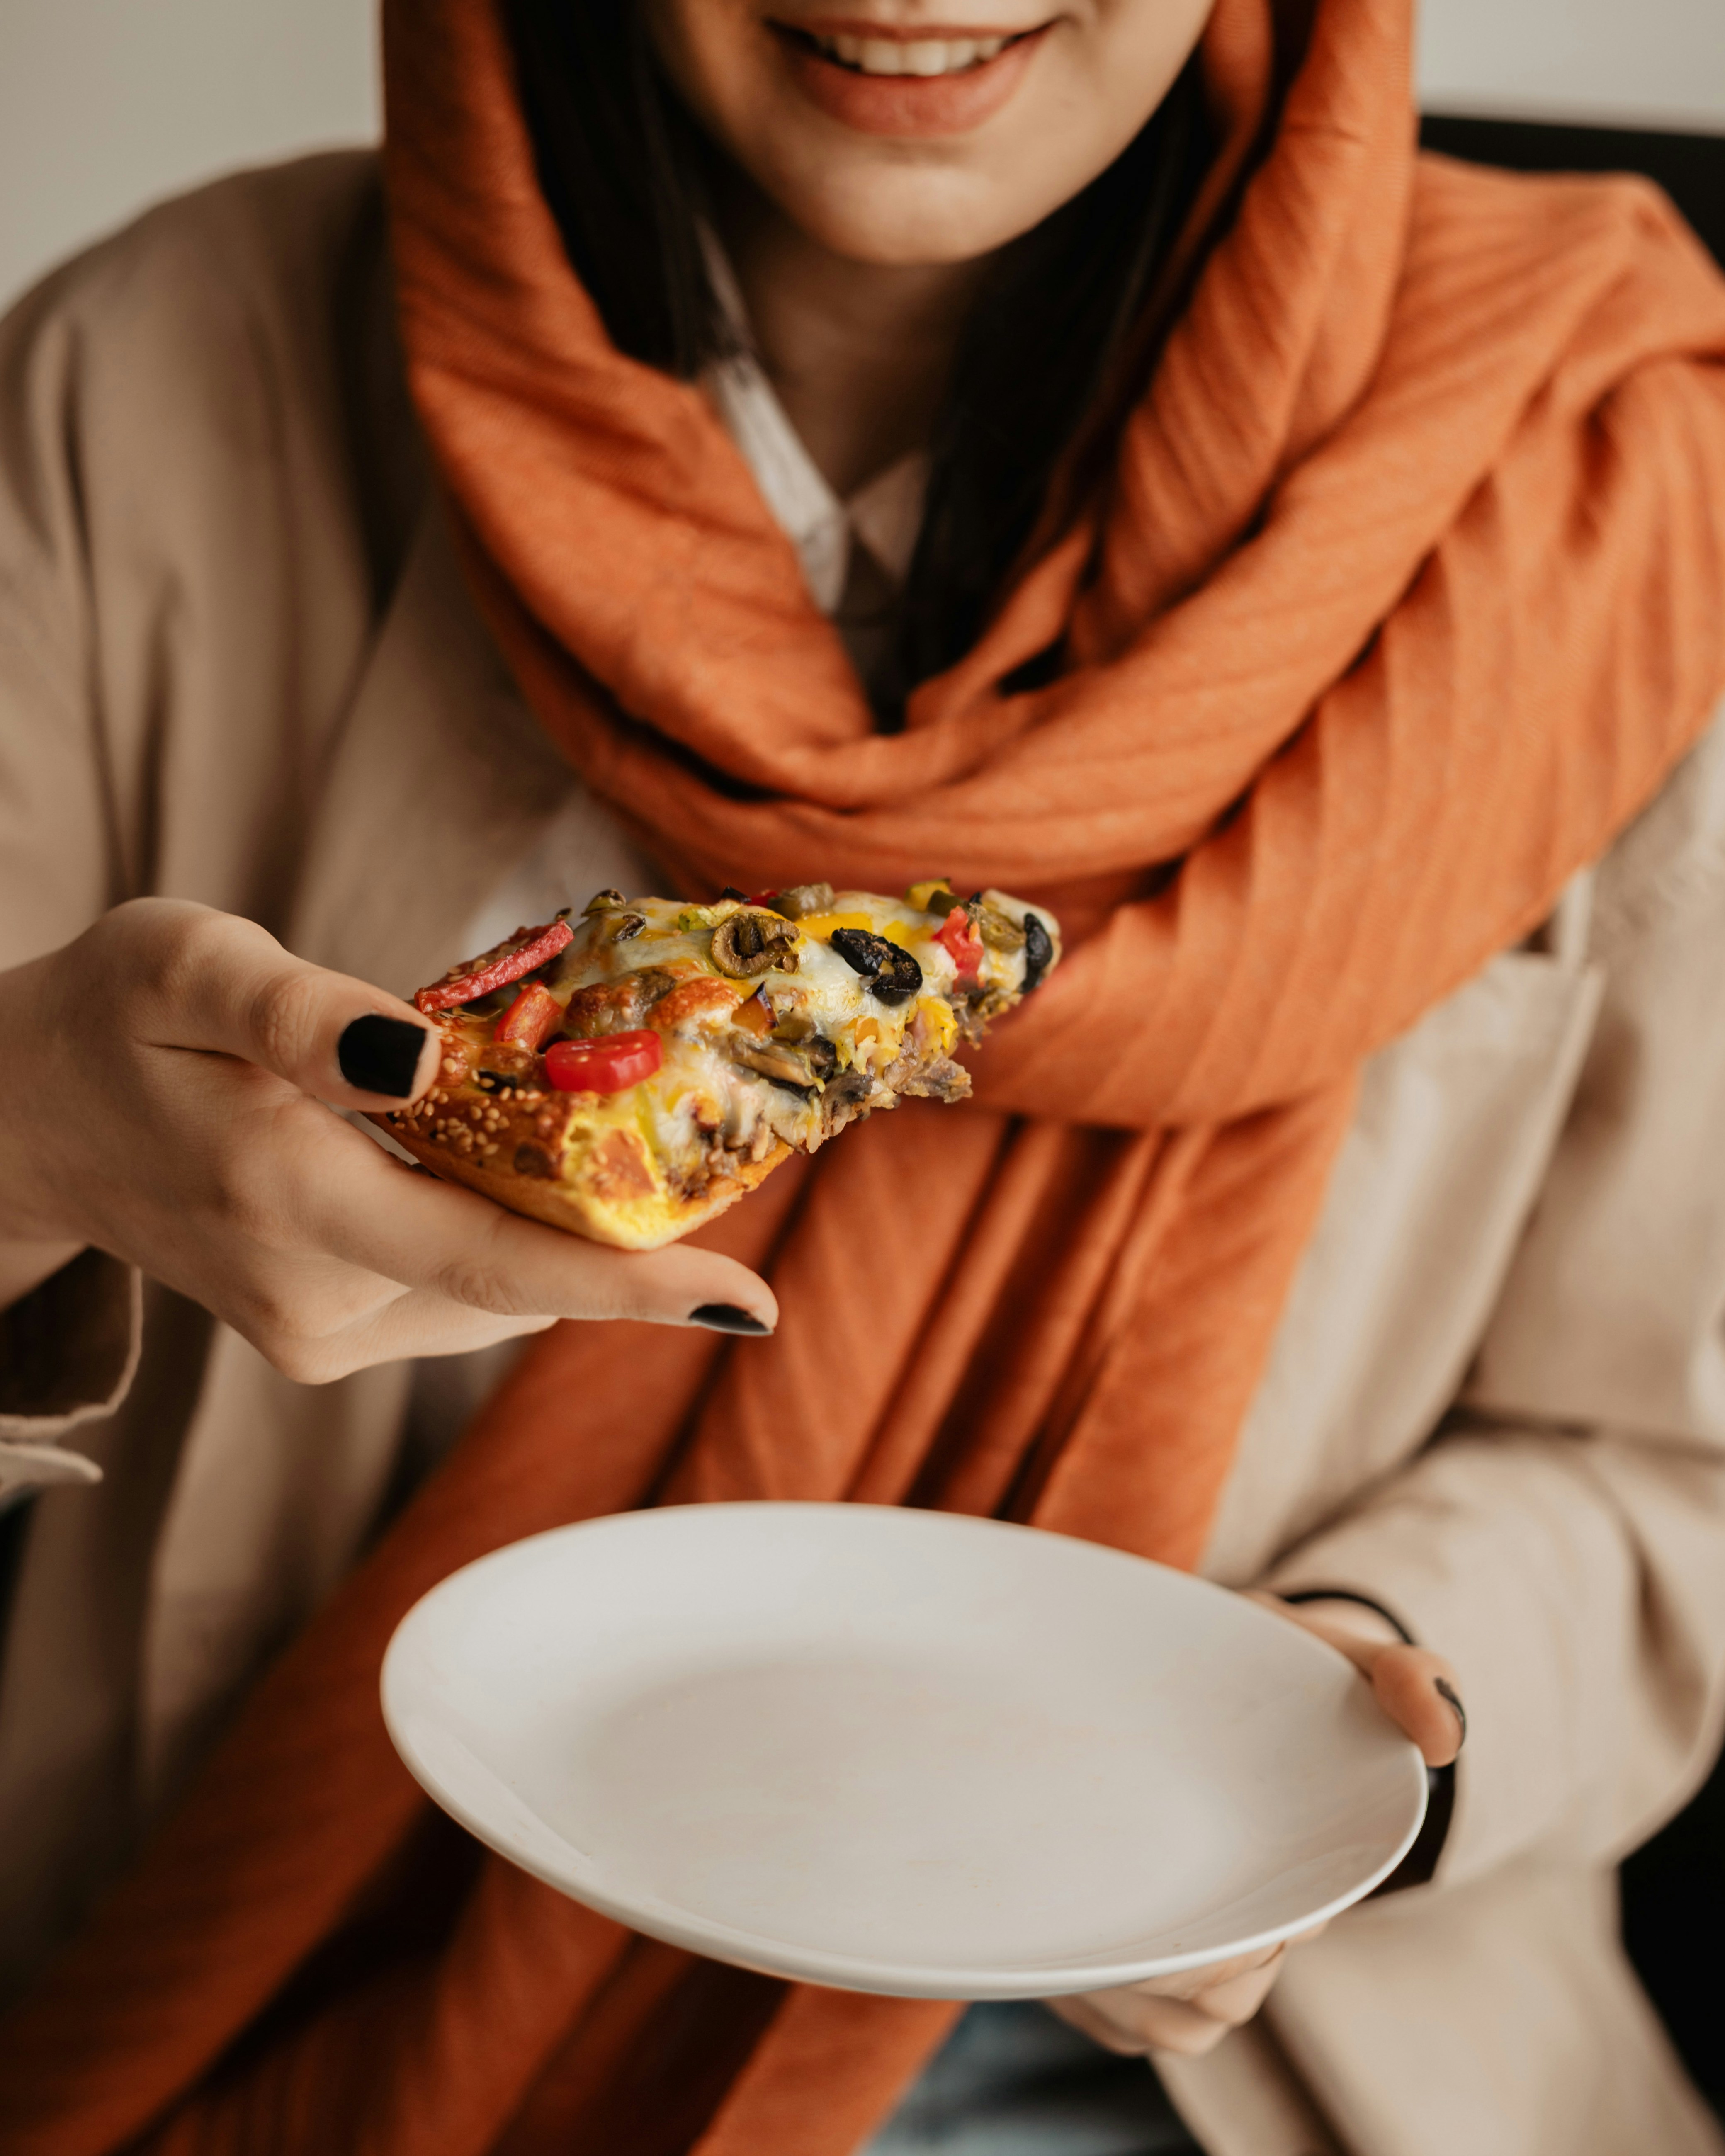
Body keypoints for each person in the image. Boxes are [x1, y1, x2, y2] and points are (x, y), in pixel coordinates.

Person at [0, 0, 1723, 2150]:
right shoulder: (147, 381)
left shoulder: (1605, 470)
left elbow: (1665, 1470)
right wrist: (23, 1149)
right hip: (300, 1990)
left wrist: (1341, 1708)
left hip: (1213, 2083)